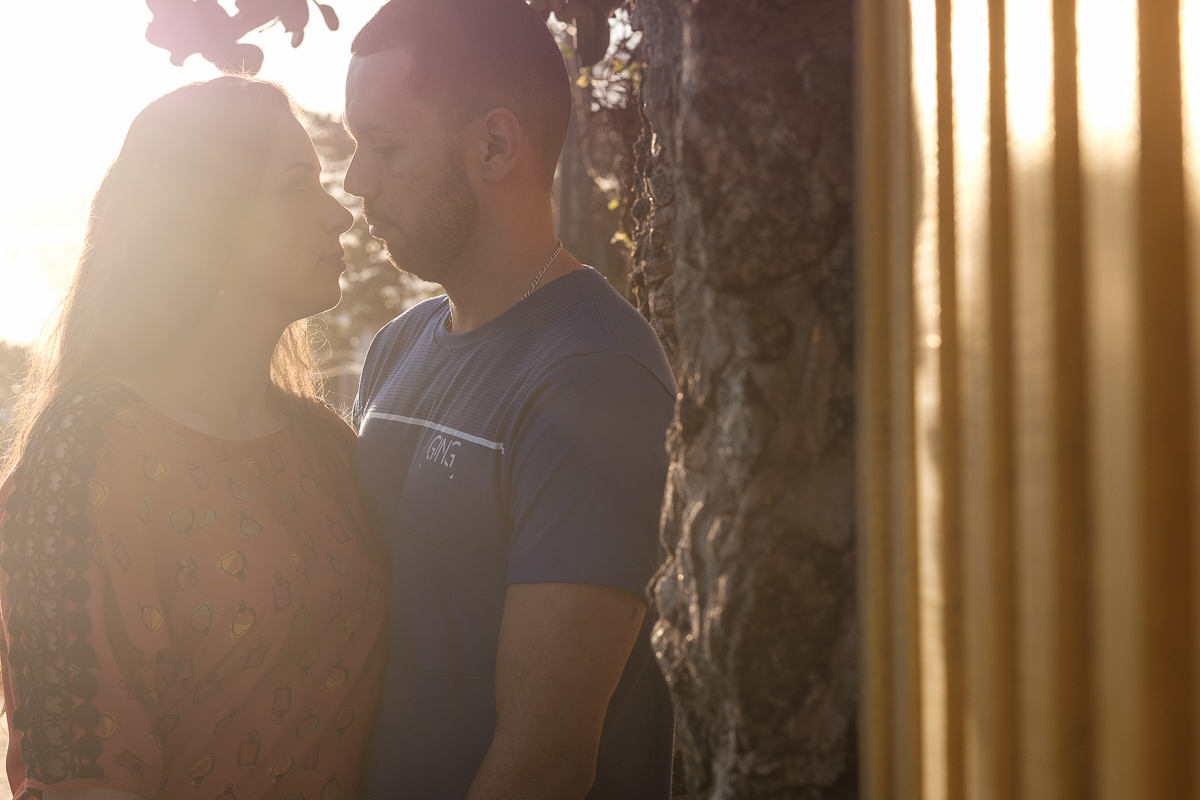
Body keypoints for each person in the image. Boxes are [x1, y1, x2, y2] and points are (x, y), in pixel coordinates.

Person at [0, 77, 389, 800]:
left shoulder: (325, 447)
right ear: (204, 220)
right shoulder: (88, 455)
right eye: (297, 186)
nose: (339, 213)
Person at [344, 1, 676, 798]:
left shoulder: (595, 376)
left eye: (384, 145)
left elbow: (544, 762)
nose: (355, 180)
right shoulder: (398, 345)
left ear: (494, 146)